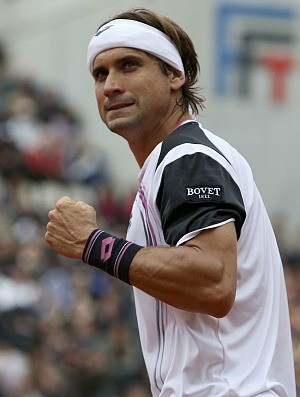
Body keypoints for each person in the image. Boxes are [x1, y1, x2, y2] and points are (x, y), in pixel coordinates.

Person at [45, 8, 296, 396]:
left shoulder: (186, 157)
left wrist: (93, 244)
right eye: (101, 73)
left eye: (129, 65)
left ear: (175, 75)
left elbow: (212, 282)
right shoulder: (174, 160)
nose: (111, 85)